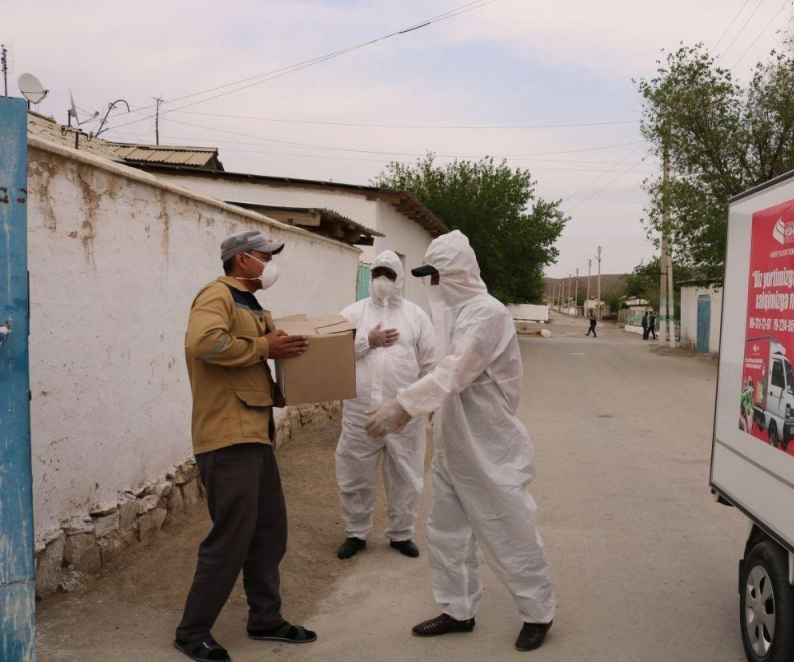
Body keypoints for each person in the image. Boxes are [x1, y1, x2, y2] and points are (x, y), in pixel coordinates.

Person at [364, 231, 556, 653]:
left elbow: (454, 372)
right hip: (453, 442)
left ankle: (538, 612)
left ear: (455, 274)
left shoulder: (486, 314)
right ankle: (458, 610)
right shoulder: (454, 314)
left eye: (435, 276)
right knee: (446, 534)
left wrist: (403, 406)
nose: (431, 285)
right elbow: (438, 370)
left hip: (490, 445)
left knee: (509, 532)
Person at [176, 229, 317, 661]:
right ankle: (192, 631)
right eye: (264, 256)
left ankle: (265, 619)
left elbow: (259, 352)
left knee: (269, 533)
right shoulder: (216, 294)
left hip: (255, 433)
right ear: (241, 260)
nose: (270, 263)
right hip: (226, 433)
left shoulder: (252, 303)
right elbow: (202, 343)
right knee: (231, 538)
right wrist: (263, 346)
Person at [335, 251, 437, 561]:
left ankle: (401, 533)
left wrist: (420, 406)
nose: (382, 279)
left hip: (403, 416)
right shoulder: (351, 314)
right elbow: (334, 357)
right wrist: (368, 340)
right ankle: (355, 533)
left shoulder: (416, 316)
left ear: (399, 279)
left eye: (389, 274)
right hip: (358, 413)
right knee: (355, 474)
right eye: (377, 272)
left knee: (405, 475)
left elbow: (430, 365)